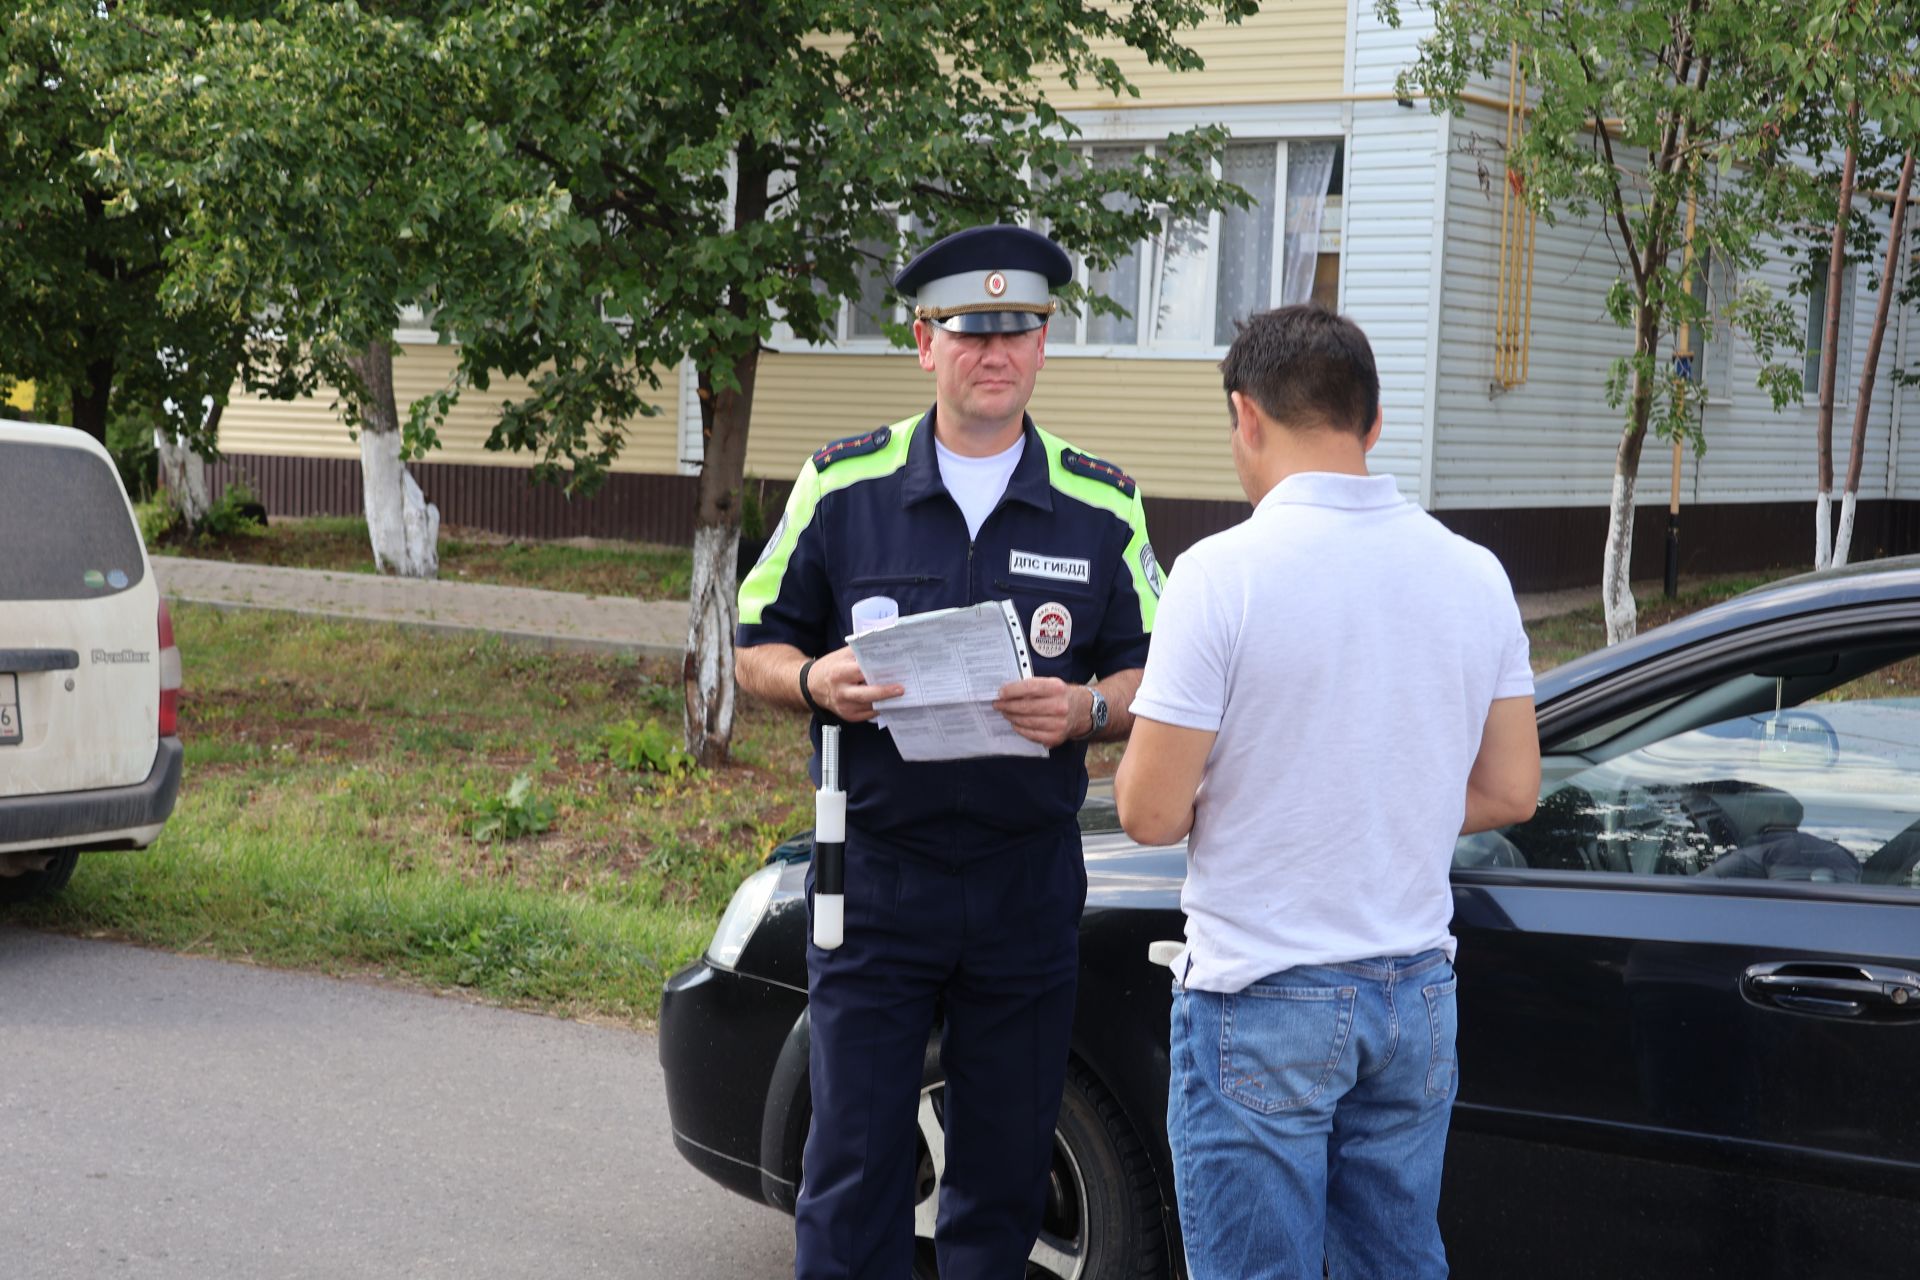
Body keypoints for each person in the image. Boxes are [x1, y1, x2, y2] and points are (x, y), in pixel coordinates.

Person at [734, 223, 1161, 1280]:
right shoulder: (843, 485)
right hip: (877, 877)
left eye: (1019, 331)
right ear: (924, 340)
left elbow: (1158, 672)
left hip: (1025, 882)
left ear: (1043, 345)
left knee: (1006, 1166)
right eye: (972, 332)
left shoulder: (1102, 503)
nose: (995, 354)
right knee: (852, 1162)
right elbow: (753, 646)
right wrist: (811, 680)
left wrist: (1087, 713)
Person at [1112, 304, 1542, 1279]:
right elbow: (1513, 787)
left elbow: (1147, 810)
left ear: (1245, 415)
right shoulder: (1476, 574)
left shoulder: (1218, 575)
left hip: (1264, 990)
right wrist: (1389, 791)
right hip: (1415, 993)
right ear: (1374, 422)